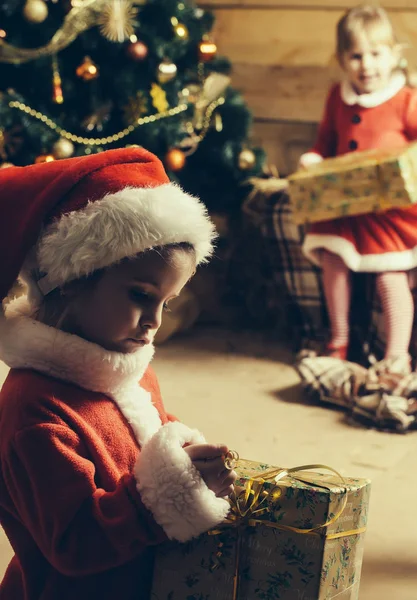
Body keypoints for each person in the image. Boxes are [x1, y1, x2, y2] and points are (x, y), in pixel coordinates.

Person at [0, 148, 237, 600]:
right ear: (73, 277)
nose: (155, 321)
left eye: (166, 302)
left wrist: (191, 460)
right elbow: (75, 545)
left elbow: (151, 441)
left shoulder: (129, 372)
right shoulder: (34, 413)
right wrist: (166, 496)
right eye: (140, 295)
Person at [298, 4, 417, 378]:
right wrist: (312, 160)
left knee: (389, 274)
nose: (367, 65)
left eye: (376, 54)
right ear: (341, 60)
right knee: (332, 259)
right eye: (356, 56)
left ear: (394, 55)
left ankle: (397, 356)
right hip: (343, 208)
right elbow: (325, 143)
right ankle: (339, 342)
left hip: (388, 211)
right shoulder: (338, 96)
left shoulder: (405, 99)